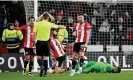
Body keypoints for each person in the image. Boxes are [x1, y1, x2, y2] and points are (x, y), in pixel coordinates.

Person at [33, 12, 66, 77]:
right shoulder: (49, 24)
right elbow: (59, 26)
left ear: (42, 17)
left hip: (39, 42)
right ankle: (45, 72)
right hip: (46, 43)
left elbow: (34, 33)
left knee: (39, 57)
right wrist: (64, 27)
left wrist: (34, 42)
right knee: (45, 58)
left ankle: (41, 66)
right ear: (48, 18)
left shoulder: (37, 24)